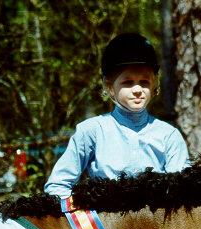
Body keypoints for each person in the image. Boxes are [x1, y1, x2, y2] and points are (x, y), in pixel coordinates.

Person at [44, 33, 189, 198]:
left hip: (154, 221)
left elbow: (180, 194)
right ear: (110, 87)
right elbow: (57, 186)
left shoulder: (169, 135)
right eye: (127, 82)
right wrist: (84, 218)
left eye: (144, 82)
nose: (137, 89)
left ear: (154, 85)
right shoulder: (92, 131)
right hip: (103, 222)